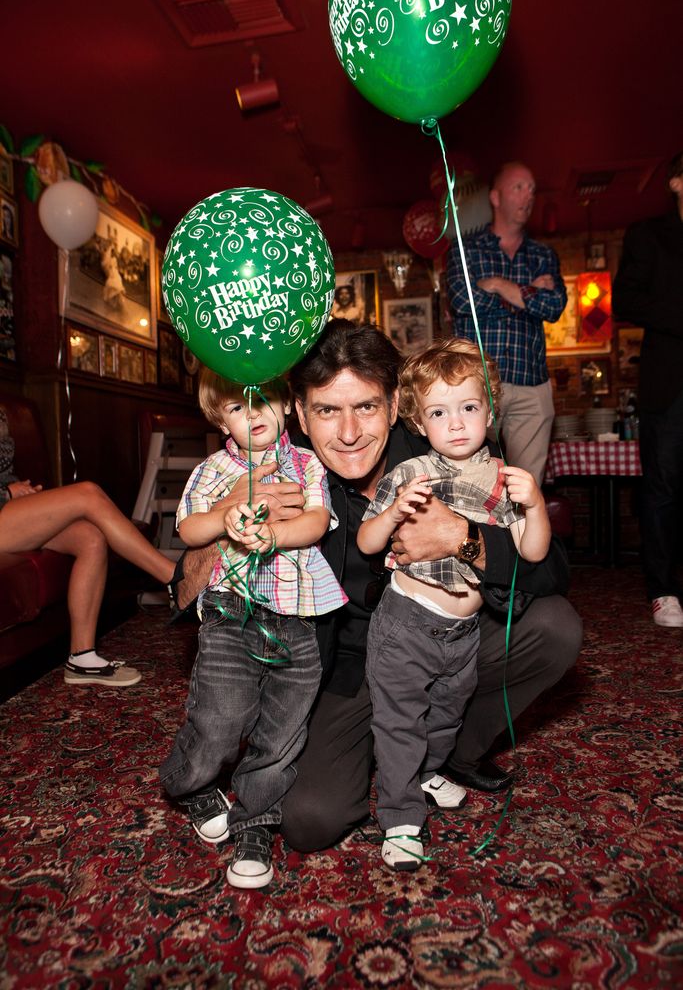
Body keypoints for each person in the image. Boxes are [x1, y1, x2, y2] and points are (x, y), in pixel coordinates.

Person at [276, 320, 581, 852]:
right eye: (327, 410)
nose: (348, 432)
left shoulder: (449, 436)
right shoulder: (280, 476)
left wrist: (460, 538)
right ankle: (392, 748)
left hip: (452, 637)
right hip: (346, 672)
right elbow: (201, 586)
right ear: (300, 414)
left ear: (395, 407)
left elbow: (550, 569)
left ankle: (448, 753)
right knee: (310, 820)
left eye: (366, 407)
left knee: (554, 627)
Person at [357, 338, 551, 869]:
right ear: (419, 422)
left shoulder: (505, 479)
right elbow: (368, 544)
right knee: (400, 723)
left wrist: (534, 506)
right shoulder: (409, 473)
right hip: (406, 624)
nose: (458, 423)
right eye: (440, 413)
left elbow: (532, 554)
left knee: (445, 714)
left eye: (469, 407)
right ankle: (399, 817)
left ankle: (428, 771)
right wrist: (394, 512)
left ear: (491, 407)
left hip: (463, 634)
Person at [159, 370, 346, 890]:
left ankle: (255, 824)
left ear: (287, 405)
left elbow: (315, 521)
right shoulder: (213, 468)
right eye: (239, 408)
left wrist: (274, 534)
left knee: (283, 732)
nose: (255, 412)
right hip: (230, 611)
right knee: (220, 717)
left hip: (298, 614)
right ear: (221, 418)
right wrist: (226, 515)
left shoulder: (307, 462)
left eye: (264, 401)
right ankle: (186, 782)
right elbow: (189, 528)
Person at [0, 407, 175, 687]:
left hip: (8, 508)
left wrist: (17, 490)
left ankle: (81, 657)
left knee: (91, 537)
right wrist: (7, 493)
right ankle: (174, 578)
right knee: (88, 494)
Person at [446, 161, 567, 486]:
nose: (528, 195)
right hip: (477, 383)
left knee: (527, 489)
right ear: (496, 197)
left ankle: (523, 540)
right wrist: (528, 294)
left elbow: (554, 306)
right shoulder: (465, 249)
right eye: (519, 187)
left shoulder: (543, 254)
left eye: (532, 189)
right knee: (471, 486)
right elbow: (463, 302)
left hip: (531, 385)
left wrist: (496, 285)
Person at [613, 151, 683, 627]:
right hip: (671, 380)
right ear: (677, 182)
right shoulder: (649, 236)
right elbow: (626, 299)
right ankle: (663, 590)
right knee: (663, 488)